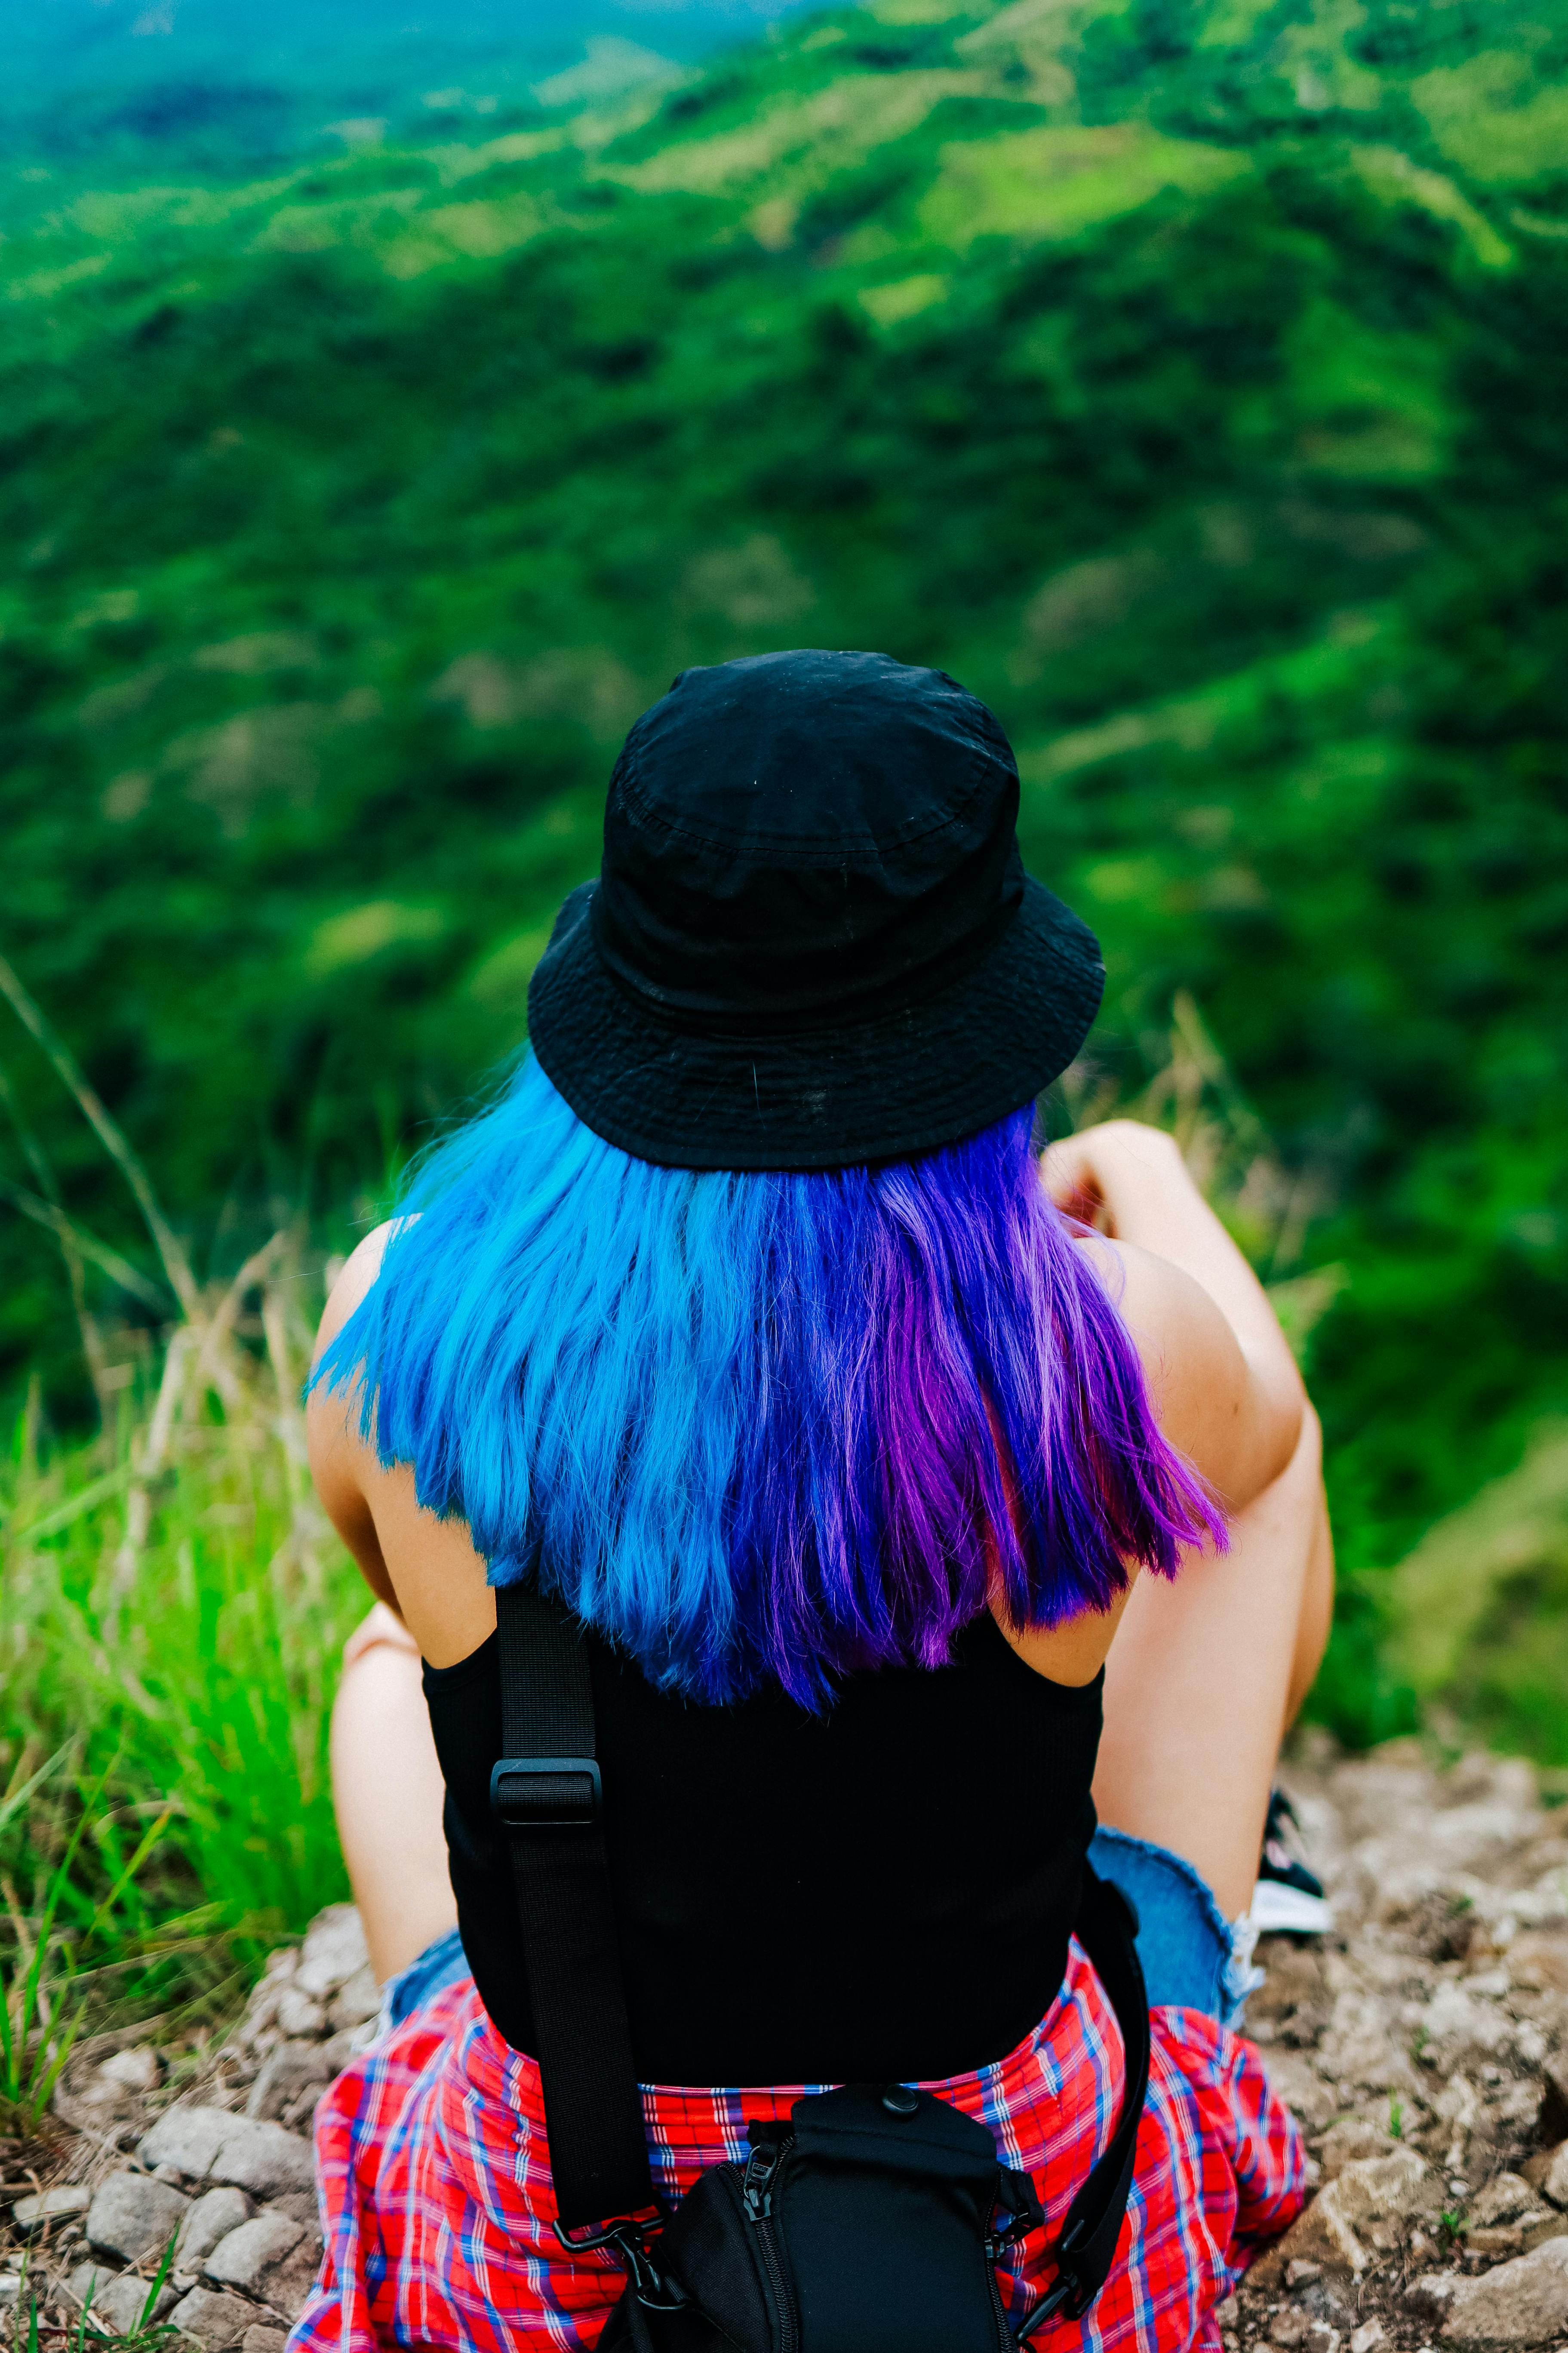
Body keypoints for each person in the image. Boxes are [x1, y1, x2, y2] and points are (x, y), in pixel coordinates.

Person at [295, 651, 1331, 2353]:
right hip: (998, 2204)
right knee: (1233, 1496)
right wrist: (1137, 1164)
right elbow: (1270, 1429)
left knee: (385, 1664)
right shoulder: (1104, 1346)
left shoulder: (391, 1321)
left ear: (622, 1002)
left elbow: (423, 1622)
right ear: (986, 1014)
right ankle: (1219, 1886)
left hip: (571, 2201)